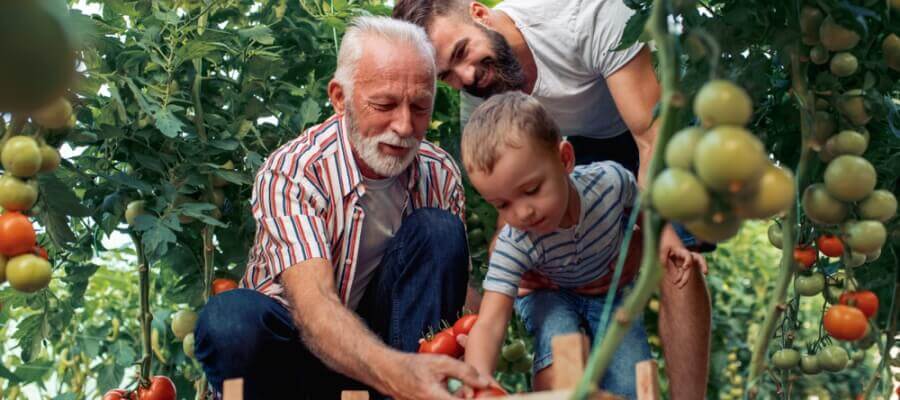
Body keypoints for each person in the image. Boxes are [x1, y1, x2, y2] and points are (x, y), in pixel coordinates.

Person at [392, 1, 712, 398]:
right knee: (543, 261)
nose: (468, 76)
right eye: (448, 76)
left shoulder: (583, 15)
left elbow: (650, 139)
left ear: (479, 13)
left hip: (649, 125)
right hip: (561, 151)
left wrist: (644, 240)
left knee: (676, 259)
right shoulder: (481, 98)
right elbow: (508, 200)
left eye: (462, 53)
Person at [193, 16, 491, 399]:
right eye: (384, 104)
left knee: (439, 230)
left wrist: (495, 318)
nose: (404, 126)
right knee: (228, 321)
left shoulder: (438, 173)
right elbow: (315, 309)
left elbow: (444, 288)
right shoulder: (294, 172)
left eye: (420, 107)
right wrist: (399, 373)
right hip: (301, 355)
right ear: (339, 98)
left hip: (388, 355)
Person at [459, 92, 696, 398]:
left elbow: (646, 206)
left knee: (628, 380)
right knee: (559, 345)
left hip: (606, 291)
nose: (522, 213)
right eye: (502, 204)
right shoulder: (514, 243)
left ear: (565, 159)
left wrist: (668, 240)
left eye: (531, 190)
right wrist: (477, 380)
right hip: (548, 295)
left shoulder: (609, 183)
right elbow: (490, 323)